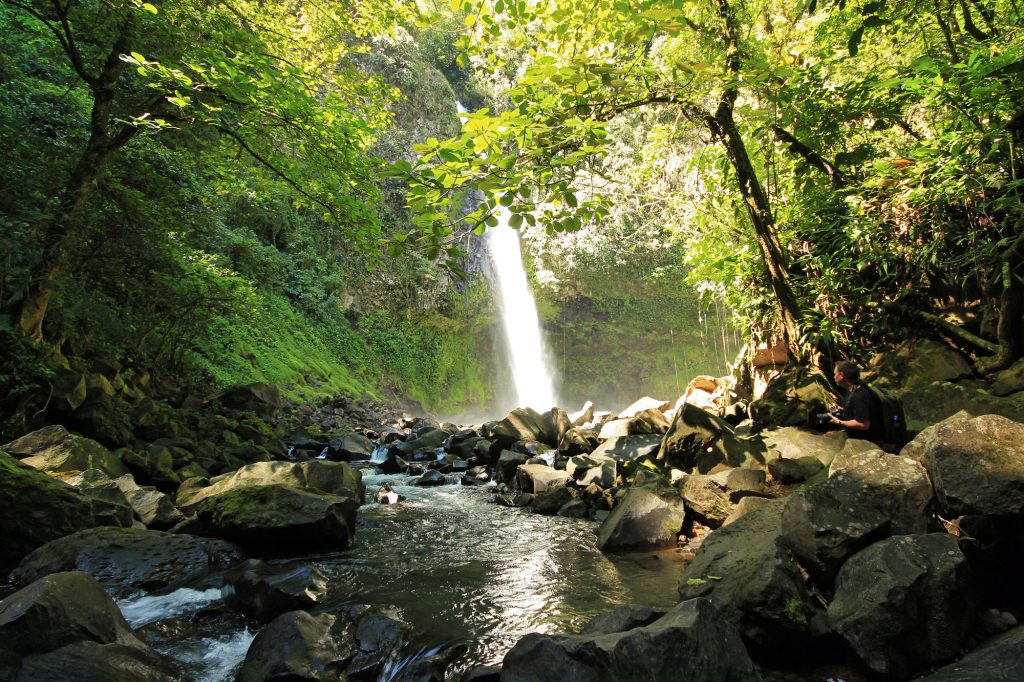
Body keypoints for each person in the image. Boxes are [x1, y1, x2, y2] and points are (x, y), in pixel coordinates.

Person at [829, 360, 884, 442]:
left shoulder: (859, 396)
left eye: (835, 374)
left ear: (841, 375)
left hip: (869, 442)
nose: (834, 377)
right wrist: (843, 410)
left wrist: (839, 422)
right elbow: (862, 411)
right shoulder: (858, 389)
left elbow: (864, 425)